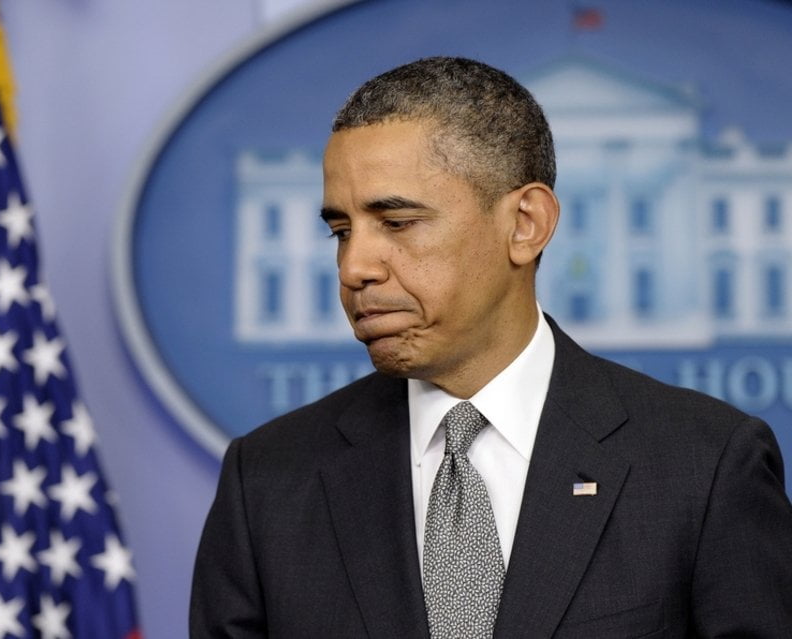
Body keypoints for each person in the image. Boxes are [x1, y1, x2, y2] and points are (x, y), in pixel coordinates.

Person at [190, 57, 792, 638]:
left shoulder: (704, 465)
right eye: (341, 232)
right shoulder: (268, 480)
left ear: (525, 224)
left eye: (396, 223)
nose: (354, 267)